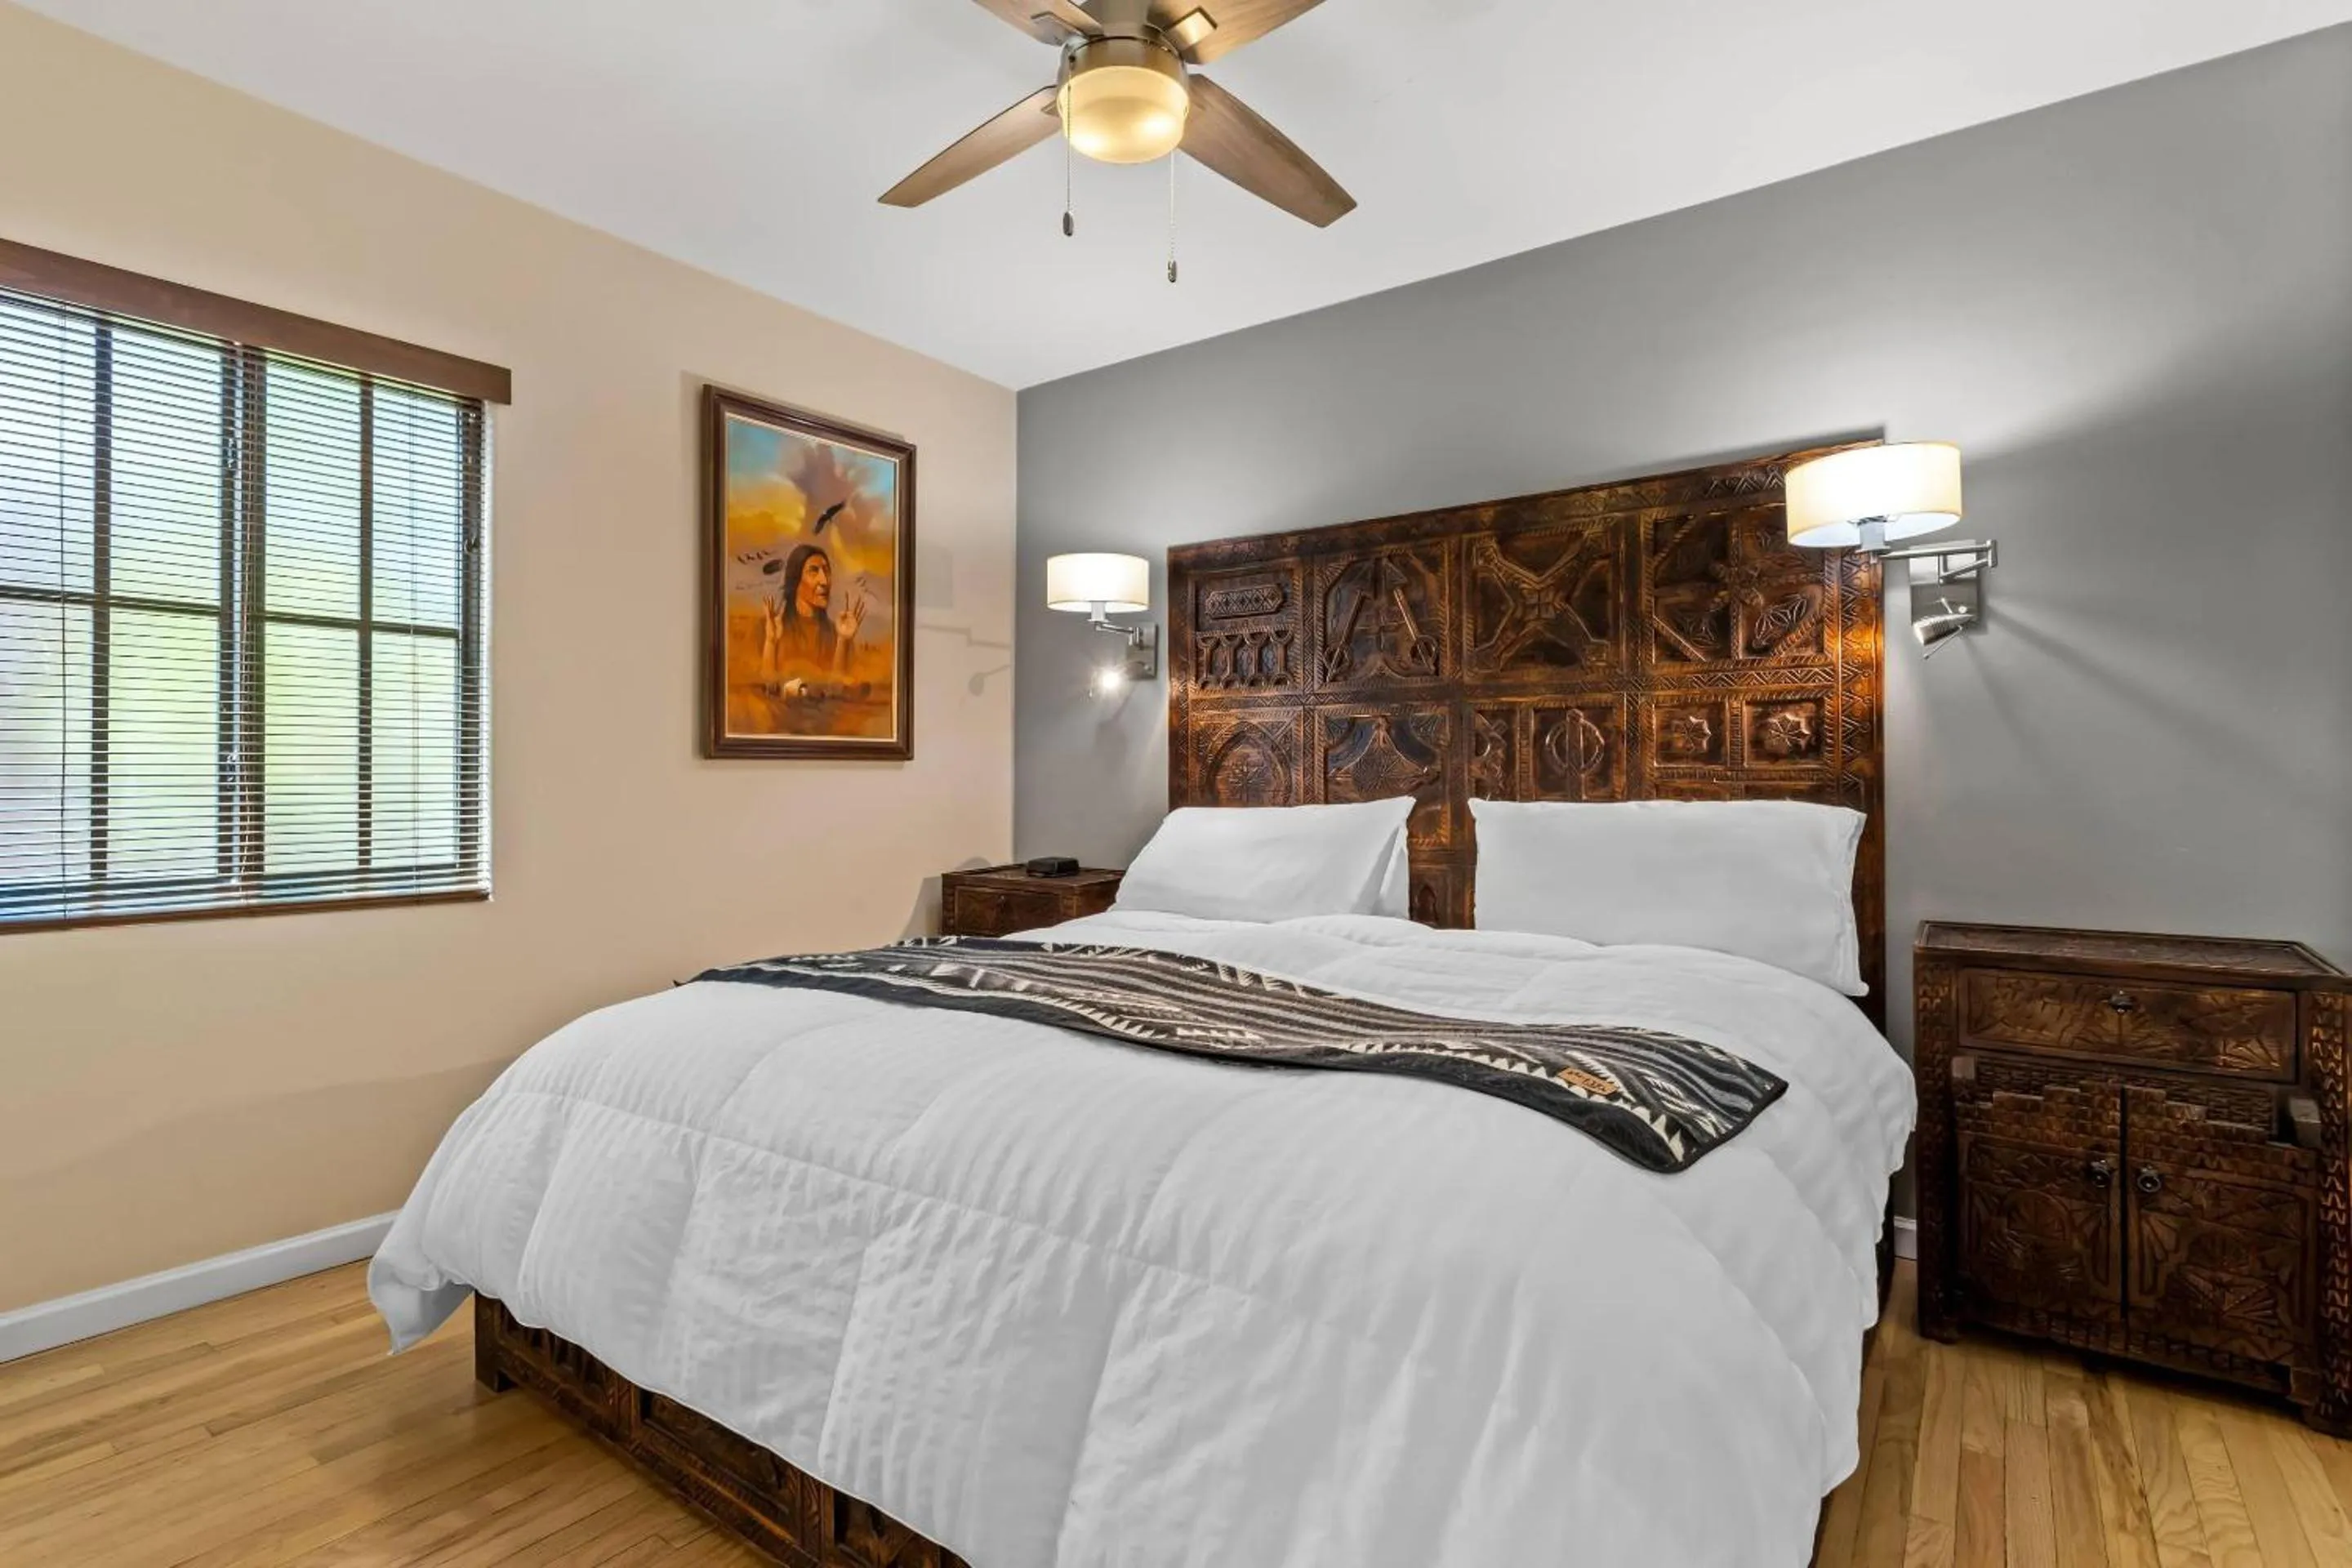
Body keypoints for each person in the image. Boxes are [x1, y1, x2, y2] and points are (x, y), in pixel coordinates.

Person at [761, 543, 866, 695]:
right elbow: (767, 691)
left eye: (826, 571)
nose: (824, 581)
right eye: (814, 571)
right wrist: (771, 643)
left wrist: (843, 641)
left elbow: (836, 693)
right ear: (796, 579)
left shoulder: (836, 633)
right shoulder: (771, 628)